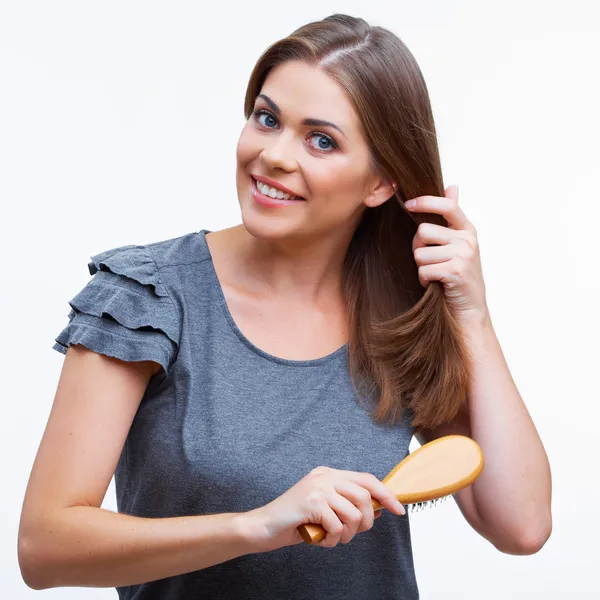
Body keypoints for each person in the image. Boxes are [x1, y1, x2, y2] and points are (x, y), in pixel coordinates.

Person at [17, 13, 552, 600]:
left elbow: (521, 525)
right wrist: (257, 526)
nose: (273, 154)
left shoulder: (399, 322)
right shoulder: (147, 296)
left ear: (381, 184)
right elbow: (45, 548)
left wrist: (472, 316)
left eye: (321, 139)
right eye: (266, 118)